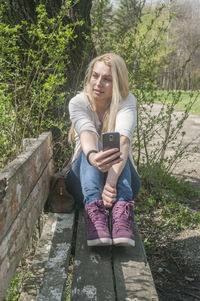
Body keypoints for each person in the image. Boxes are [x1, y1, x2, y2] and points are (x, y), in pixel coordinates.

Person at [65, 53, 140, 247]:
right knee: (96, 145)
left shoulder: (127, 101)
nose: (98, 83)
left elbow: (124, 140)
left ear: (117, 83)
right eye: (95, 76)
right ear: (89, 76)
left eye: (107, 79)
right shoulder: (78, 103)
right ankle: (94, 213)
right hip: (82, 184)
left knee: (115, 143)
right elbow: (86, 135)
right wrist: (92, 157)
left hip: (121, 185)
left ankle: (122, 212)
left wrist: (111, 184)